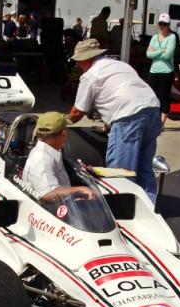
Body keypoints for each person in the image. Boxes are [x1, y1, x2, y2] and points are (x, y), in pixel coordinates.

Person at [66, 39, 161, 200]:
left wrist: (59, 124)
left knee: (121, 171)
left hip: (129, 116)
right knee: (144, 167)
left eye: (78, 62)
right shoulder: (121, 65)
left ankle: (120, 209)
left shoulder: (91, 75)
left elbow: (77, 113)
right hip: (152, 110)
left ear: (85, 60)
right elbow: (123, 92)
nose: (78, 66)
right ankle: (150, 207)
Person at [21, 112, 96, 202]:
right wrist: (80, 189)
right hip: (48, 211)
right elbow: (48, 194)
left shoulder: (48, 152)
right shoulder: (41, 158)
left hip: (62, 206)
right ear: (63, 134)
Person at [146, 13, 176, 128]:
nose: (162, 26)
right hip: (154, 70)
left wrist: (155, 53)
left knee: (164, 96)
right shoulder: (154, 37)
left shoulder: (172, 37)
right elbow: (148, 54)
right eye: (160, 24)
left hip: (167, 71)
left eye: (164, 24)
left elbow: (168, 55)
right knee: (152, 96)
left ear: (168, 25)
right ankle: (153, 120)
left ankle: (161, 123)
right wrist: (160, 51)